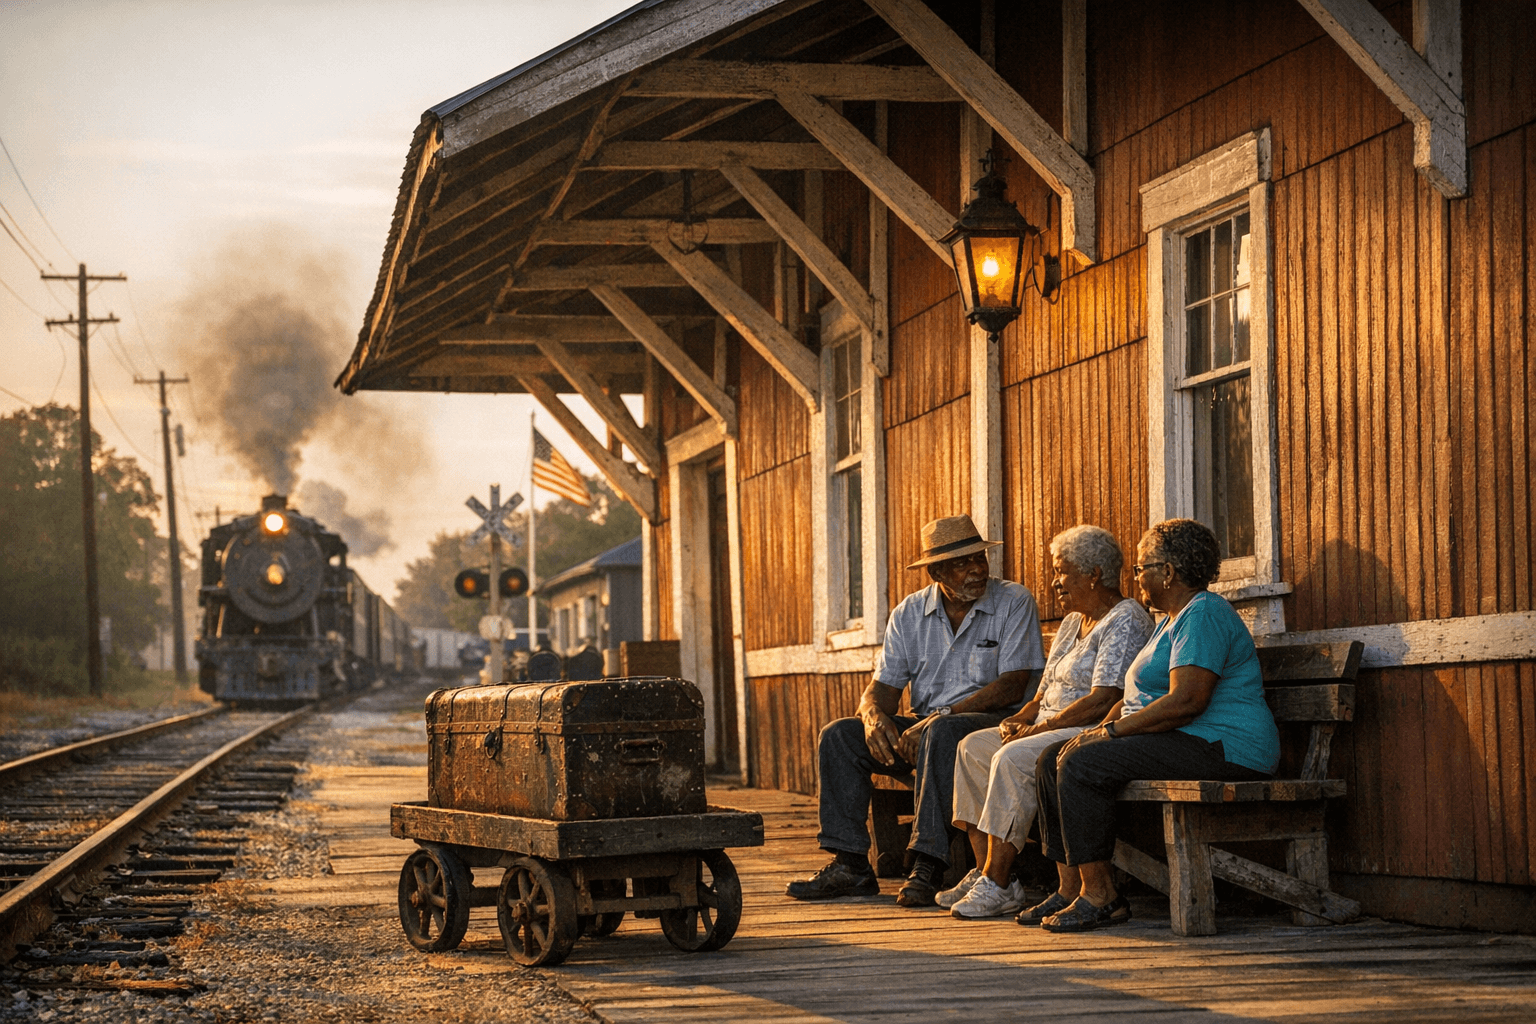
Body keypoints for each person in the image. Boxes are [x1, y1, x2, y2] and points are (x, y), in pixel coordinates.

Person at [1027, 518, 1280, 932]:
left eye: (1143, 567)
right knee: (1053, 756)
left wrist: (1109, 733)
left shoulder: (1204, 613)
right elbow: (1132, 698)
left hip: (1224, 746)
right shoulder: (1167, 619)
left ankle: (1102, 896)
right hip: (1185, 739)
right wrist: (1097, 729)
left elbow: (1186, 701)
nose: (1136, 576)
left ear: (1168, 572)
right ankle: (1070, 888)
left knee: (1083, 764)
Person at [785, 514, 1045, 907]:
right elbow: (883, 690)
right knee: (839, 735)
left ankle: (927, 864)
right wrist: (872, 717)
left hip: (992, 724)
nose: (976, 569)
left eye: (980, 558)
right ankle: (850, 863)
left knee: (942, 733)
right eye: (962, 563)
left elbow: (1012, 684)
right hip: (925, 729)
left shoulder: (1013, 600)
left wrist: (938, 717)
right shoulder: (909, 613)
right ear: (936, 571)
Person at [941, 525, 1153, 919]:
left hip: (1084, 730)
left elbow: (1104, 699)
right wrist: (1018, 719)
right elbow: (1043, 691)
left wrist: (1037, 731)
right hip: (1048, 724)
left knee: (1012, 757)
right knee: (973, 747)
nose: (1055, 582)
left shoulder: (1125, 619)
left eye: (1062, 571)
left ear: (1093, 575)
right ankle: (983, 868)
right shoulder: (1073, 621)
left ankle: (998, 882)